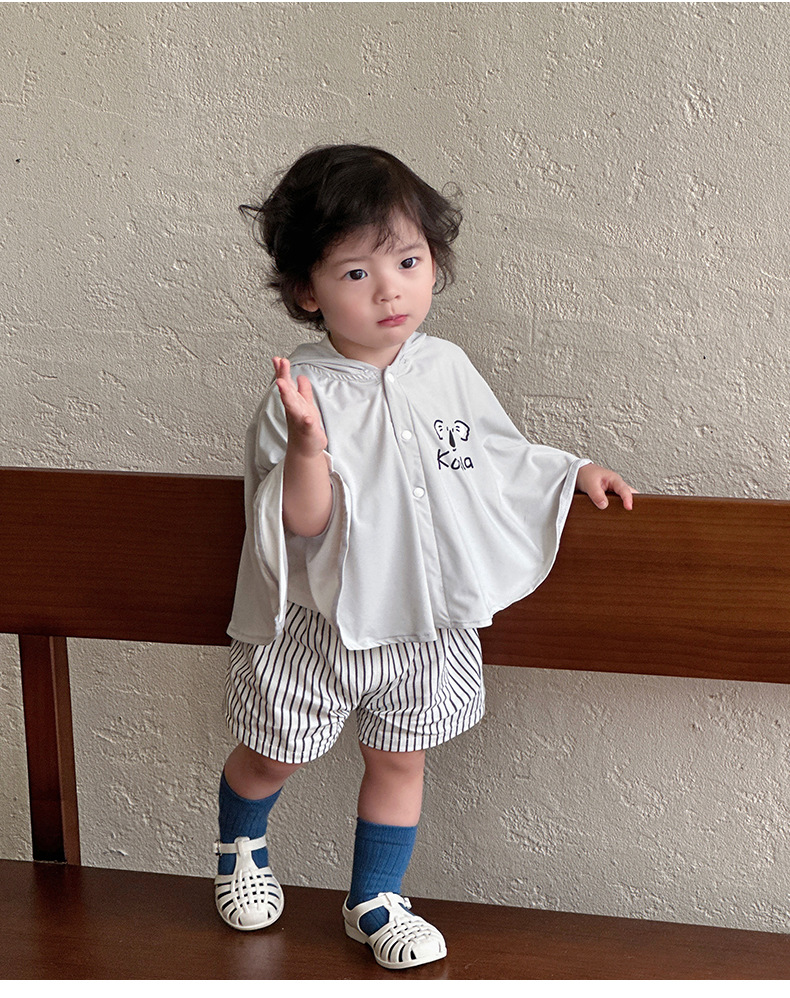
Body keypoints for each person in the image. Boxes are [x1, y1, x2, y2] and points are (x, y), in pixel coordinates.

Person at [216, 144, 635, 970]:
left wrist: (572, 471)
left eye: (408, 262)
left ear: (433, 263)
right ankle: (240, 846)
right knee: (274, 751)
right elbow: (300, 523)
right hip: (322, 625)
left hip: (424, 620)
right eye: (357, 272)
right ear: (307, 291)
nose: (390, 289)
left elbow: (493, 456)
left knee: (400, 757)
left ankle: (374, 899)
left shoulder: (446, 368)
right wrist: (307, 446)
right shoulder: (300, 393)